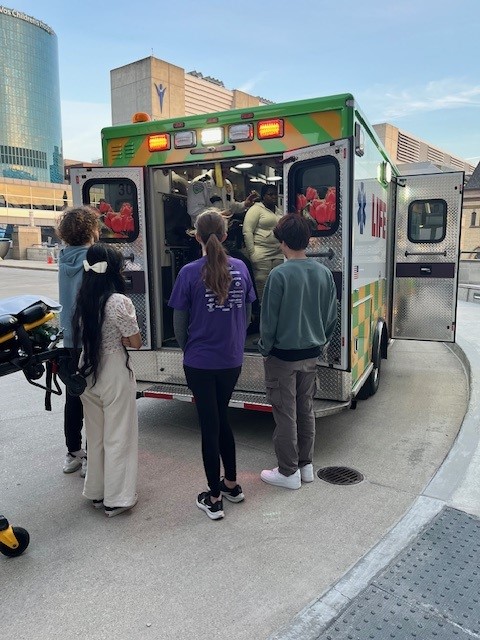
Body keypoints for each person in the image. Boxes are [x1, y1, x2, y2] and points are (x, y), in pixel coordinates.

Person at [168, 209, 256, 520]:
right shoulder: (241, 268)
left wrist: (190, 350)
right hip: (232, 360)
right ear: (226, 235)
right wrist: (233, 342)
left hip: (200, 363)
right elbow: (246, 316)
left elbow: (179, 324)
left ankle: (214, 497)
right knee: (222, 419)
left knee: (209, 425)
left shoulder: (189, 273)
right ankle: (231, 484)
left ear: (197, 237)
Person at [258, 214, 337, 489]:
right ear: (307, 240)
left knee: (285, 414)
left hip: (282, 356)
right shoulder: (324, 272)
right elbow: (331, 316)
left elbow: (269, 321)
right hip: (311, 355)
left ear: (282, 242)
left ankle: (288, 472)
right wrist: (321, 342)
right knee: (306, 410)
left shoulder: (278, 274)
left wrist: (264, 349)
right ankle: (306, 466)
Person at [72, 244, 142, 517]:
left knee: (96, 434)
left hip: (86, 368)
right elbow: (134, 341)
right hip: (114, 368)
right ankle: (117, 497)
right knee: (119, 434)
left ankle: (97, 492)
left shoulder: (84, 298)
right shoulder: (118, 302)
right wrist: (125, 338)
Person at [57, 206, 100, 477]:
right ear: (91, 230)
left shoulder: (63, 258)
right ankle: (90, 460)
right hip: (90, 339)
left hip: (69, 341)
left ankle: (73, 453)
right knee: (93, 400)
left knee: (74, 398)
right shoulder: (92, 260)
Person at [242, 184, 284, 304]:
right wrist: (252, 253)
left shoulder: (279, 211)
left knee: (278, 285)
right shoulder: (255, 209)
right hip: (261, 252)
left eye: (275, 194)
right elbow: (247, 231)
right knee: (263, 285)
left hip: (278, 252)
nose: (274, 197)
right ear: (263, 196)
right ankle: (263, 315)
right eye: (270, 194)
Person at [186, 167, 258, 224]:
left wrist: (245, 204)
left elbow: (231, 207)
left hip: (222, 230)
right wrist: (217, 215)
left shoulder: (227, 184)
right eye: (223, 170)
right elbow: (194, 210)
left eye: (229, 168)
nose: (227, 172)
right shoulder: (199, 183)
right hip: (204, 232)